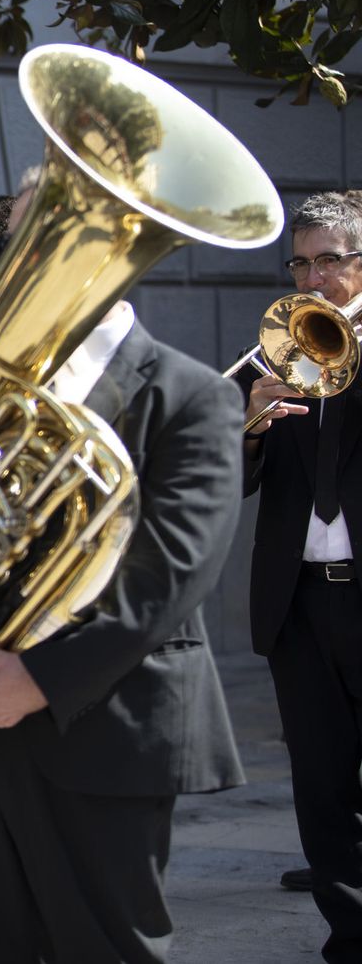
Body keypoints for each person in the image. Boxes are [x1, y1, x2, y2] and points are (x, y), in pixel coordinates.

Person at [0, 225, 246, 961]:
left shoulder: (193, 393)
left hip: (101, 726)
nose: (21, 266)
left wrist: (41, 681)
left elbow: (173, 575)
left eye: (45, 240)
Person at [241, 190, 362, 962]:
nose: (312, 279)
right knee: (322, 786)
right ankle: (349, 937)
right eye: (301, 262)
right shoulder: (273, 350)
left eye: (330, 262)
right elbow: (233, 479)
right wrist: (249, 422)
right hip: (301, 599)